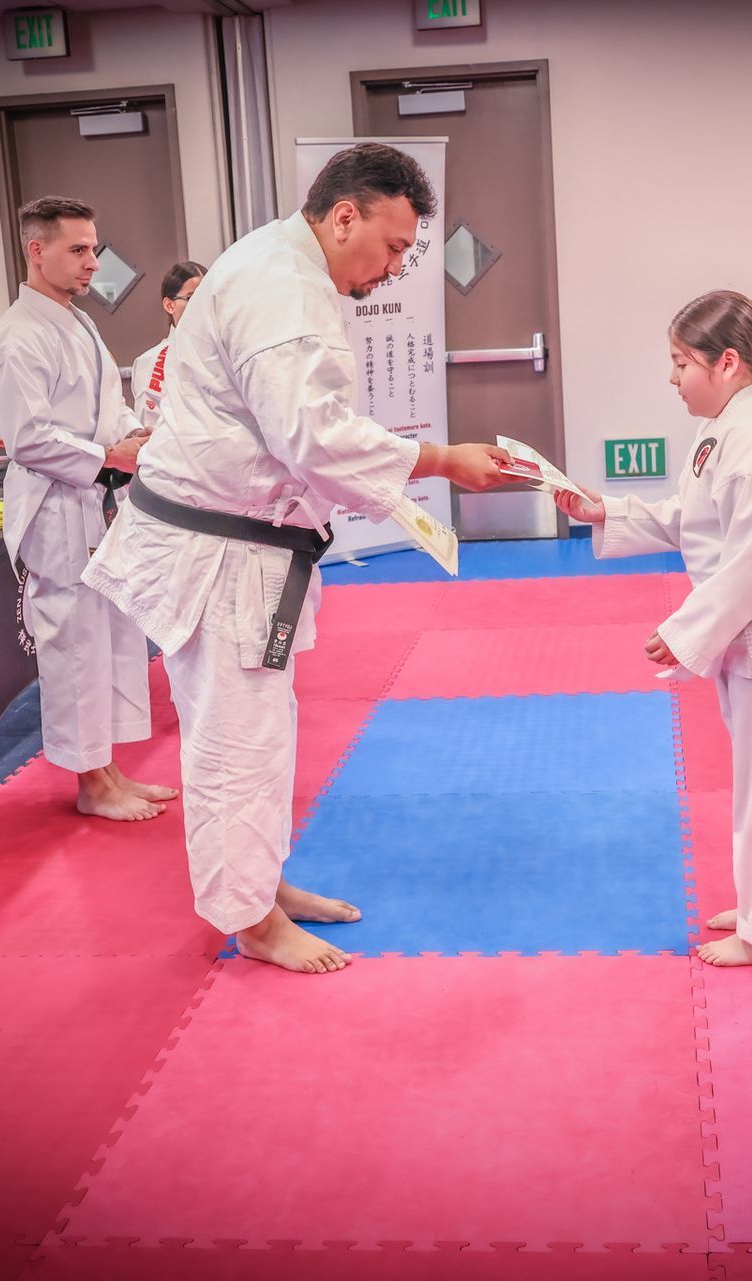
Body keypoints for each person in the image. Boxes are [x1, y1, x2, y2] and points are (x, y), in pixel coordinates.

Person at [83, 143, 511, 974]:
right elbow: (314, 438)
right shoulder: (285, 287)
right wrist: (442, 459)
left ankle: (261, 885)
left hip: (242, 549)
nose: (391, 270)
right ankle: (249, 919)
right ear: (344, 215)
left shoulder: (280, 264)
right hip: (220, 556)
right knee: (235, 739)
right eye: (390, 247)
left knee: (262, 732)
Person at [556, 290, 752, 967]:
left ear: (726, 362)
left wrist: (687, 631)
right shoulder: (729, 423)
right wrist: (601, 510)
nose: (672, 378)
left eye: (679, 361)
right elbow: (694, 518)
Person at [0, 194, 178, 823]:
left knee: (110, 639)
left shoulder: (79, 322)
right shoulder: (14, 337)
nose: (93, 261)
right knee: (72, 645)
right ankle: (91, 784)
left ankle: (111, 769)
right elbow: (30, 438)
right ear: (36, 251)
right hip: (56, 508)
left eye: (93, 248)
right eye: (78, 249)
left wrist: (132, 437)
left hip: (95, 501)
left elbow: (107, 407)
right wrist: (108, 455)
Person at [131, 260, 207, 430]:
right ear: (169, 305)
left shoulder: (218, 351)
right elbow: (149, 427)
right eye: (191, 297)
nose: (201, 305)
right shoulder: (154, 360)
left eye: (206, 297)